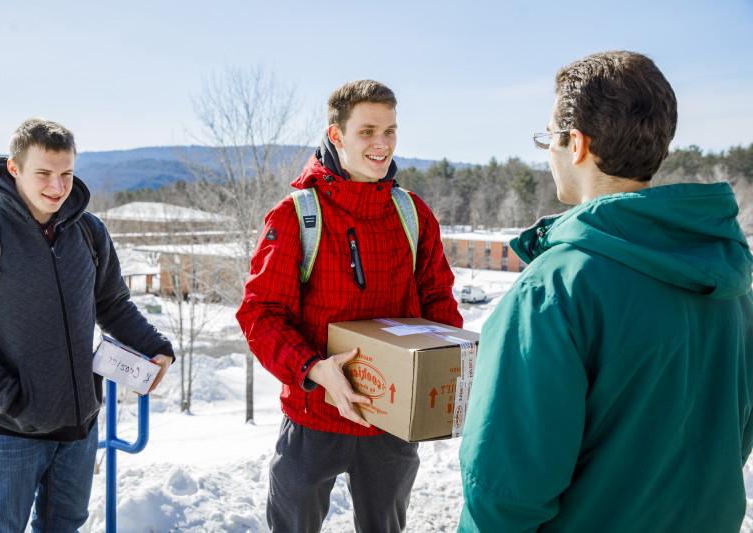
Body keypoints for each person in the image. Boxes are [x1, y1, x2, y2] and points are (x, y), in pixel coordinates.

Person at [458, 50, 753, 532]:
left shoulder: (556, 288)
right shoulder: (729, 280)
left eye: (548, 137)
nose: (548, 151)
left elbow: (505, 490)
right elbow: (733, 438)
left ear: (576, 143)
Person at [236, 80, 462, 532]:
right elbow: (260, 314)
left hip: (392, 421)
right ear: (336, 136)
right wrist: (315, 370)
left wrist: (444, 371)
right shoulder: (298, 214)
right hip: (315, 412)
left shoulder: (412, 213)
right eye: (367, 131)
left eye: (390, 131)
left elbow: (439, 304)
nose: (381, 144)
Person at [0, 118, 175, 532]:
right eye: (44, 174)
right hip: (9, 429)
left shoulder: (89, 232)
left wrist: (154, 345)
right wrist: (13, 399)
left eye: (66, 174)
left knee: (66, 525)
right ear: (14, 168)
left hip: (79, 424)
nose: (57, 187)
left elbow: (112, 303)